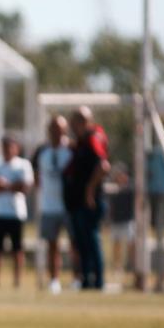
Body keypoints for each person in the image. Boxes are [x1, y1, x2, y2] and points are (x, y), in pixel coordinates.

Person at [63, 106, 110, 290]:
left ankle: (98, 281)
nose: (72, 126)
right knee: (82, 242)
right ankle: (87, 280)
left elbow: (103, 166)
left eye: (74, 122)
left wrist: (90, 190)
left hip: (89, 201)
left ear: (83, 122)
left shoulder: (92, 139)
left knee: (91, 240)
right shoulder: (81, 142)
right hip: (78, 201)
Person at [32, 115, 73, 295]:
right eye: (53, 129)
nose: (57, 132)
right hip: (48, 206)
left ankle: (77, 279)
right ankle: (54, 280)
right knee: (52, 245)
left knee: (75, 245)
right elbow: (35, 174)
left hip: (70, 206)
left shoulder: (72, 149)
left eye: (60, 129)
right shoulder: (41, 151)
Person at [0, 134, 34, 289]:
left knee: (17, 249)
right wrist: (12, 186)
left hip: (16, 213)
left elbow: (25, 187)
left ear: (16, 148)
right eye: (4, 147)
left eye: (10, 147)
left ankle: (17, 281)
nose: (7, 150)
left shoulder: (23, 165)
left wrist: (5, 186)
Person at [107, 165, 136, 285]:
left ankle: (131, 264)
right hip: (116, 221)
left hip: (128, 220)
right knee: (116, 244)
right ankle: (117, 266)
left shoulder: (130, 189)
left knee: (131, 243)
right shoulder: (113, 189)